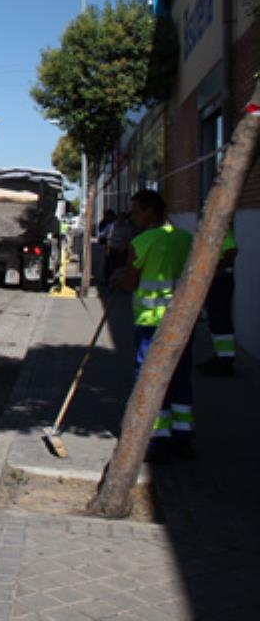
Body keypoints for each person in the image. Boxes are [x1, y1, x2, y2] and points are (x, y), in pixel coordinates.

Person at [111, 189, 195, 462]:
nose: (133, 217)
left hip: (151, 322)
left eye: (136, 211)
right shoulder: (186, 239)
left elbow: (130, 283)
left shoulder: (142, 241)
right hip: (182, 321)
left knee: (150, 379)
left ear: (150, 211)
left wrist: (119, 278)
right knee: (180, 377)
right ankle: (183, 435)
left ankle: (155, 438)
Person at [197, 222, 237, 377]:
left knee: (221, 321)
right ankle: (219, 356)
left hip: (220, 281)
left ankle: (225, 362)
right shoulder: (212, 229)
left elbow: (231, 250)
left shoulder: (221, 229)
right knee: (215, 320)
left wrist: (218, 270)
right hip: (215, 280)